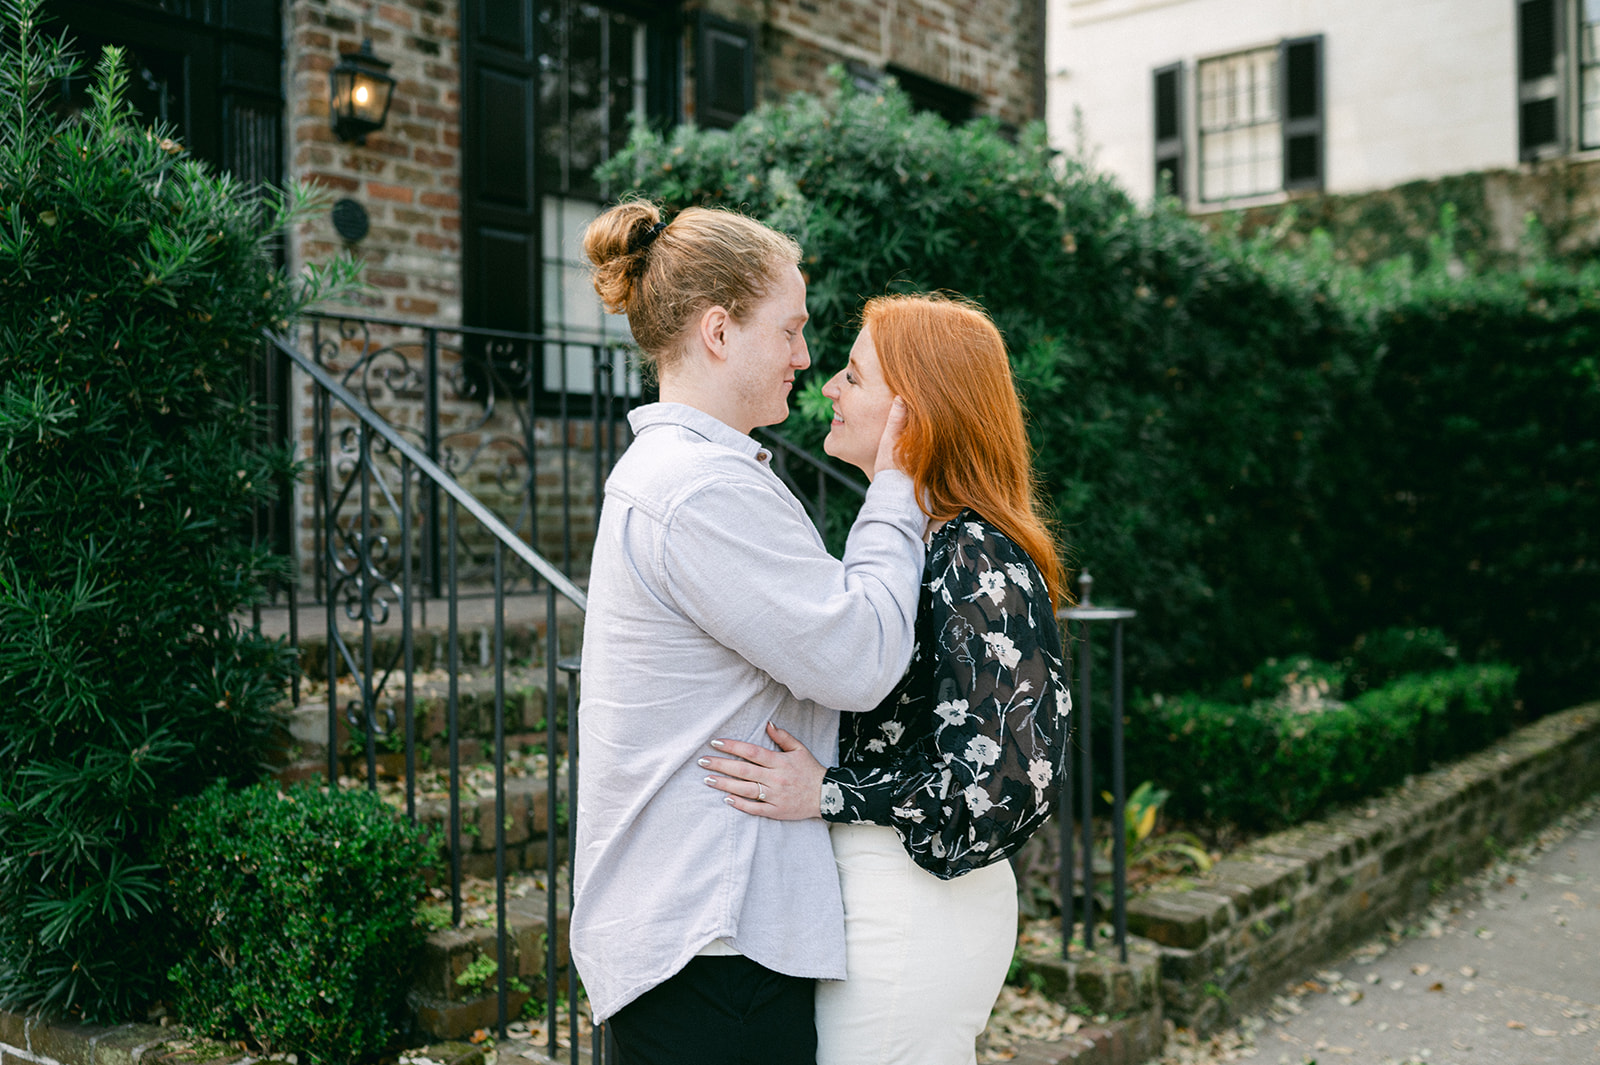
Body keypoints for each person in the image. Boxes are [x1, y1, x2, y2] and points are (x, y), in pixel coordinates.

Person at [572, 201, 930, 1065]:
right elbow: (862, 657)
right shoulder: (700, 491)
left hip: (703, 940)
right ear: (721, 332)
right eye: (793, 329)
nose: (806, 358)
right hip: (713, 945)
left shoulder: (692, 475)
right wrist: (897, 483)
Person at [702, 293, 1071, 1065]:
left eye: (853, 374)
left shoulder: (975, 552)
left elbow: (1007, 783)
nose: (826, 386)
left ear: (916, 410)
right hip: (890, 896)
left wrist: (829, 790)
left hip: (918, 905)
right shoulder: (921, 544)